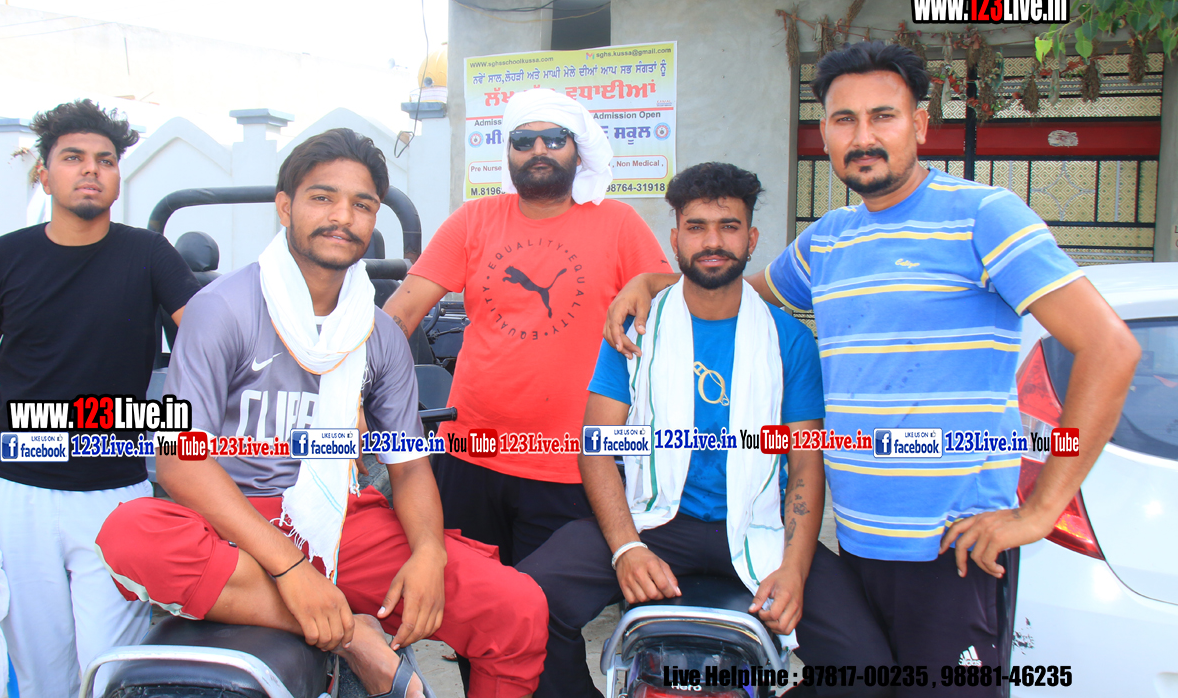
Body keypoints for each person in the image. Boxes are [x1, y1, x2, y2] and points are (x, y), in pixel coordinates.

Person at [603, 42, 1140, 696]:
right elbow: (731, 287)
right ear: (826, 134)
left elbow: (1110, 348)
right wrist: (648, 283)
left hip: (953, 550)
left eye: (882, 116)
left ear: (919, 124)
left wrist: (1041, 510)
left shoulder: (984, 216)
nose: (863, 137)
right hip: (858, 546)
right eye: (844, 119)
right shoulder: (827, 241)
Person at [96, 128, 548, 698]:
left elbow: (408, 465)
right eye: (322, 197)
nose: (342, 216)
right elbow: (180, 462)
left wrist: (429, 553)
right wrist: (292, 571)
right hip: (233, 523)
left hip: (342, 520)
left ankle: (319, 609)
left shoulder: (378, 334)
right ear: (285, 207)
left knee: (517, 607)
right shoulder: (223, 310)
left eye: (362, 204)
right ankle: (351, 636)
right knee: (132, 535)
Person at [517, 162, 833, 698]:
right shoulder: (636, 329)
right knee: (525, 604)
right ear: (675, 238)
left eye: (729, 226)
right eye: (696, 227)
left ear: (752, 238)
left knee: (867, 661)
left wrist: (795, 570)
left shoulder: (788, 340)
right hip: (658, 518)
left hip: (757, 525)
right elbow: (596, 448)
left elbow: (805, 462)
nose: (713, 242)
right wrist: (625, 548)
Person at [0, 99, 200, 698]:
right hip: (18, 494)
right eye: (73, 158)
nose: (90, 170)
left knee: (111, 673)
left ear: (117, 175)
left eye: (105, 160)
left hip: (116, 496)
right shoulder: (5, 257)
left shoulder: (149, 255)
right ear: (45, 174)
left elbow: (211, 339)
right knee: (42, 678)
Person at [383, 87, 670, 568]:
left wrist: (648, 281)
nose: (539, 150)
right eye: (523, 140)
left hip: (572, 466)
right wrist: (358, 391)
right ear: (509, 152)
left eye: (554, 139)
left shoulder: (619, 223)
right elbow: (399, 315)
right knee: (467, 600)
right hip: (469, 455)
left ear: (578, 149)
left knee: (546, 605)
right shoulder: (474, 220)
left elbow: (676, 301)